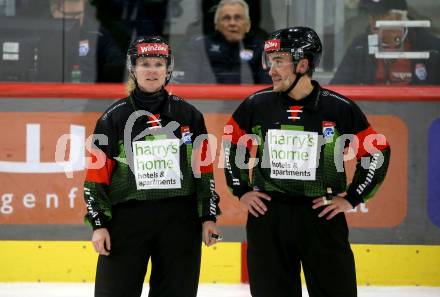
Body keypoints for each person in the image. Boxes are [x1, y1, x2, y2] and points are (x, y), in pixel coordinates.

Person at [223, 27, 391, 297]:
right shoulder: (256, 105)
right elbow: (231, 145)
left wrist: (353, 197)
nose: (270, 69)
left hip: (322, 217)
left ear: (303, 64)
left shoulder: (339, 108)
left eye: (279, 60)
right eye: (270, 60)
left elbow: (377, 152)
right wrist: (241, 190)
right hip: (268, 218)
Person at [84, 36, 221, 297]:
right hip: (127, 220)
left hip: (180, 221)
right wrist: (99, 224)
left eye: (158, 64)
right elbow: (96, 177)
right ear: (132, 69)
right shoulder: (113, 117)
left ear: (168, 70)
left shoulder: (189, 116)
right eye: (144, 63)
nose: (151, 70)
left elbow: (203, 173)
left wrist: (208, 217)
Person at [331, 0, 440, 85]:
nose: (373, 21)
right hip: (370, 113)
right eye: (371, 15)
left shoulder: (431, 48)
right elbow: (337, 90)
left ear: (398, 18)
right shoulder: (359, 46)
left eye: (379, 15)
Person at [181, 0, 270, 84]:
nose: (232, 23)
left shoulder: (260, 47)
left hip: (249, 99)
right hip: (209, 99)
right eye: (226, 18)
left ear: (248, 25)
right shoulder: (199, 46)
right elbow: (188, 83)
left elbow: (267, 88)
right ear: (217, 25)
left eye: (238, 18)